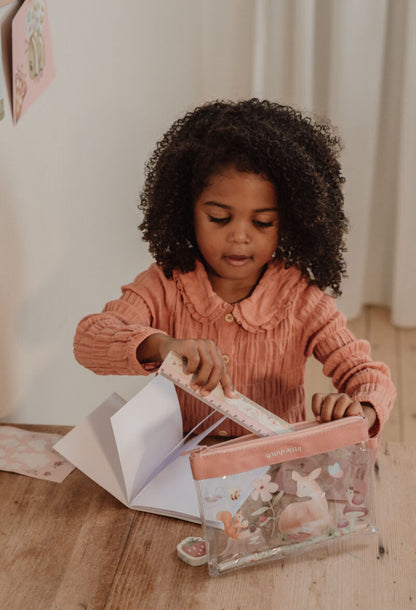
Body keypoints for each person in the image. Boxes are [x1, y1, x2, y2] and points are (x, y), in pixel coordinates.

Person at [74, 99, 395, 438]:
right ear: (187, 211)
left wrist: (360, 409)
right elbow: (89, 339)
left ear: (287, 222)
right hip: (182, 467)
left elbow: (367, 374)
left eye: (262, 222)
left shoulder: (301, 299)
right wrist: (161, 345)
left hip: (273, 472)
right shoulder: (166, 284)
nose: (240, 237)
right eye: (219, 219)